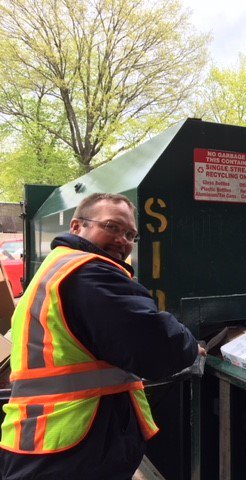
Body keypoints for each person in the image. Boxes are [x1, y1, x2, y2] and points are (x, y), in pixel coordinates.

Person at [0, 193, 206, 480]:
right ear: (76, 227)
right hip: (71, 446)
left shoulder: (59, 266)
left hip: (46, 438)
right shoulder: (89, 274)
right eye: (112, 227)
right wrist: (191, 346)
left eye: (130, 234)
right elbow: (156, 345)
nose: (123, 240)